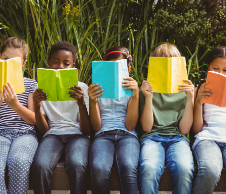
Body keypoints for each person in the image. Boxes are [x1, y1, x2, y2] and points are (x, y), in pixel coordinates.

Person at [31, 41, 91, 194]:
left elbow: (86, 130)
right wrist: (37, 106)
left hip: (77, 136)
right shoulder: (41, 89)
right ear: (49, 63)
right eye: (56, 62)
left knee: (77, 164)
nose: (60, 67)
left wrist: (81, 104)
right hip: (52, 135)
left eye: (66, 63)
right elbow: (44, 130)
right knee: (41, 165)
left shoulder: (82, 88)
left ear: (73, 66)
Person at [0, 37, 38, 194]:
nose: (8, 63)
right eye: (5, 59)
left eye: (14, 61)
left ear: (23, 64)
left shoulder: (31, 84)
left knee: (19, 162)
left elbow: (34, 120)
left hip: (25, 134)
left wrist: (15, 104)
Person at [139, 43, 194, 194]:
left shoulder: (185, 90)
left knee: (185, 168)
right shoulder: (147, 89)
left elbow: (184, 129)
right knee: (149, 168)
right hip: (152, 137)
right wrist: (148, 97)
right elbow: (146, 128)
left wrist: (190, 99)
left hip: (178, 138)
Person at [88, 46, 140, 194]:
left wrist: (135, 96)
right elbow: (96, 126)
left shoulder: (132, 91)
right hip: (102, 135)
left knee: (128, 166)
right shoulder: (97, 90)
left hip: (127, 135)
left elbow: (130, 126)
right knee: (99, 168)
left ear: (128, 68)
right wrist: (92, 101)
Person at [192, 46, 226, 194]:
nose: (220, 73)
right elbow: (196, 129)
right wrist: (199, 101)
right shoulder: (199, 89)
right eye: (215, 68)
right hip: (207, 138)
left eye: (225, 70)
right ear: (208, 67)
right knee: (210, 171)